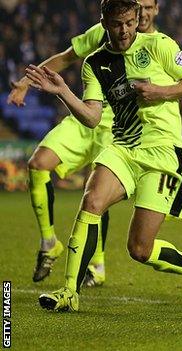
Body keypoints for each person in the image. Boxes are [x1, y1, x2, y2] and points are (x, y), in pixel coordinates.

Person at [26, 0, 182, 312]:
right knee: (92, 201)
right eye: (116, 24)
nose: (123, 30)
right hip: (123, 148)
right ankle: (70, 291)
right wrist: (62, 91)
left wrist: (161, 92)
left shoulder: (160, 46)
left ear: (137, 18)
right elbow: (91, 117)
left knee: (139, 249)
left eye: (129, 22)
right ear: (105, 22)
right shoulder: (95, 63)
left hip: (163, 152)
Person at [7, 0, 161, 287]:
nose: (142, 14)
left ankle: (97, 265)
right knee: (38, 164)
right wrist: (26, 82)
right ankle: (49, 242)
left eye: (148, 7)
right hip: (84, 116)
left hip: (117, 128)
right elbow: (65, 58)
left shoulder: (158, 46)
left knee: (95, 195)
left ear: (152, 11)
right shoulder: (103, 32)